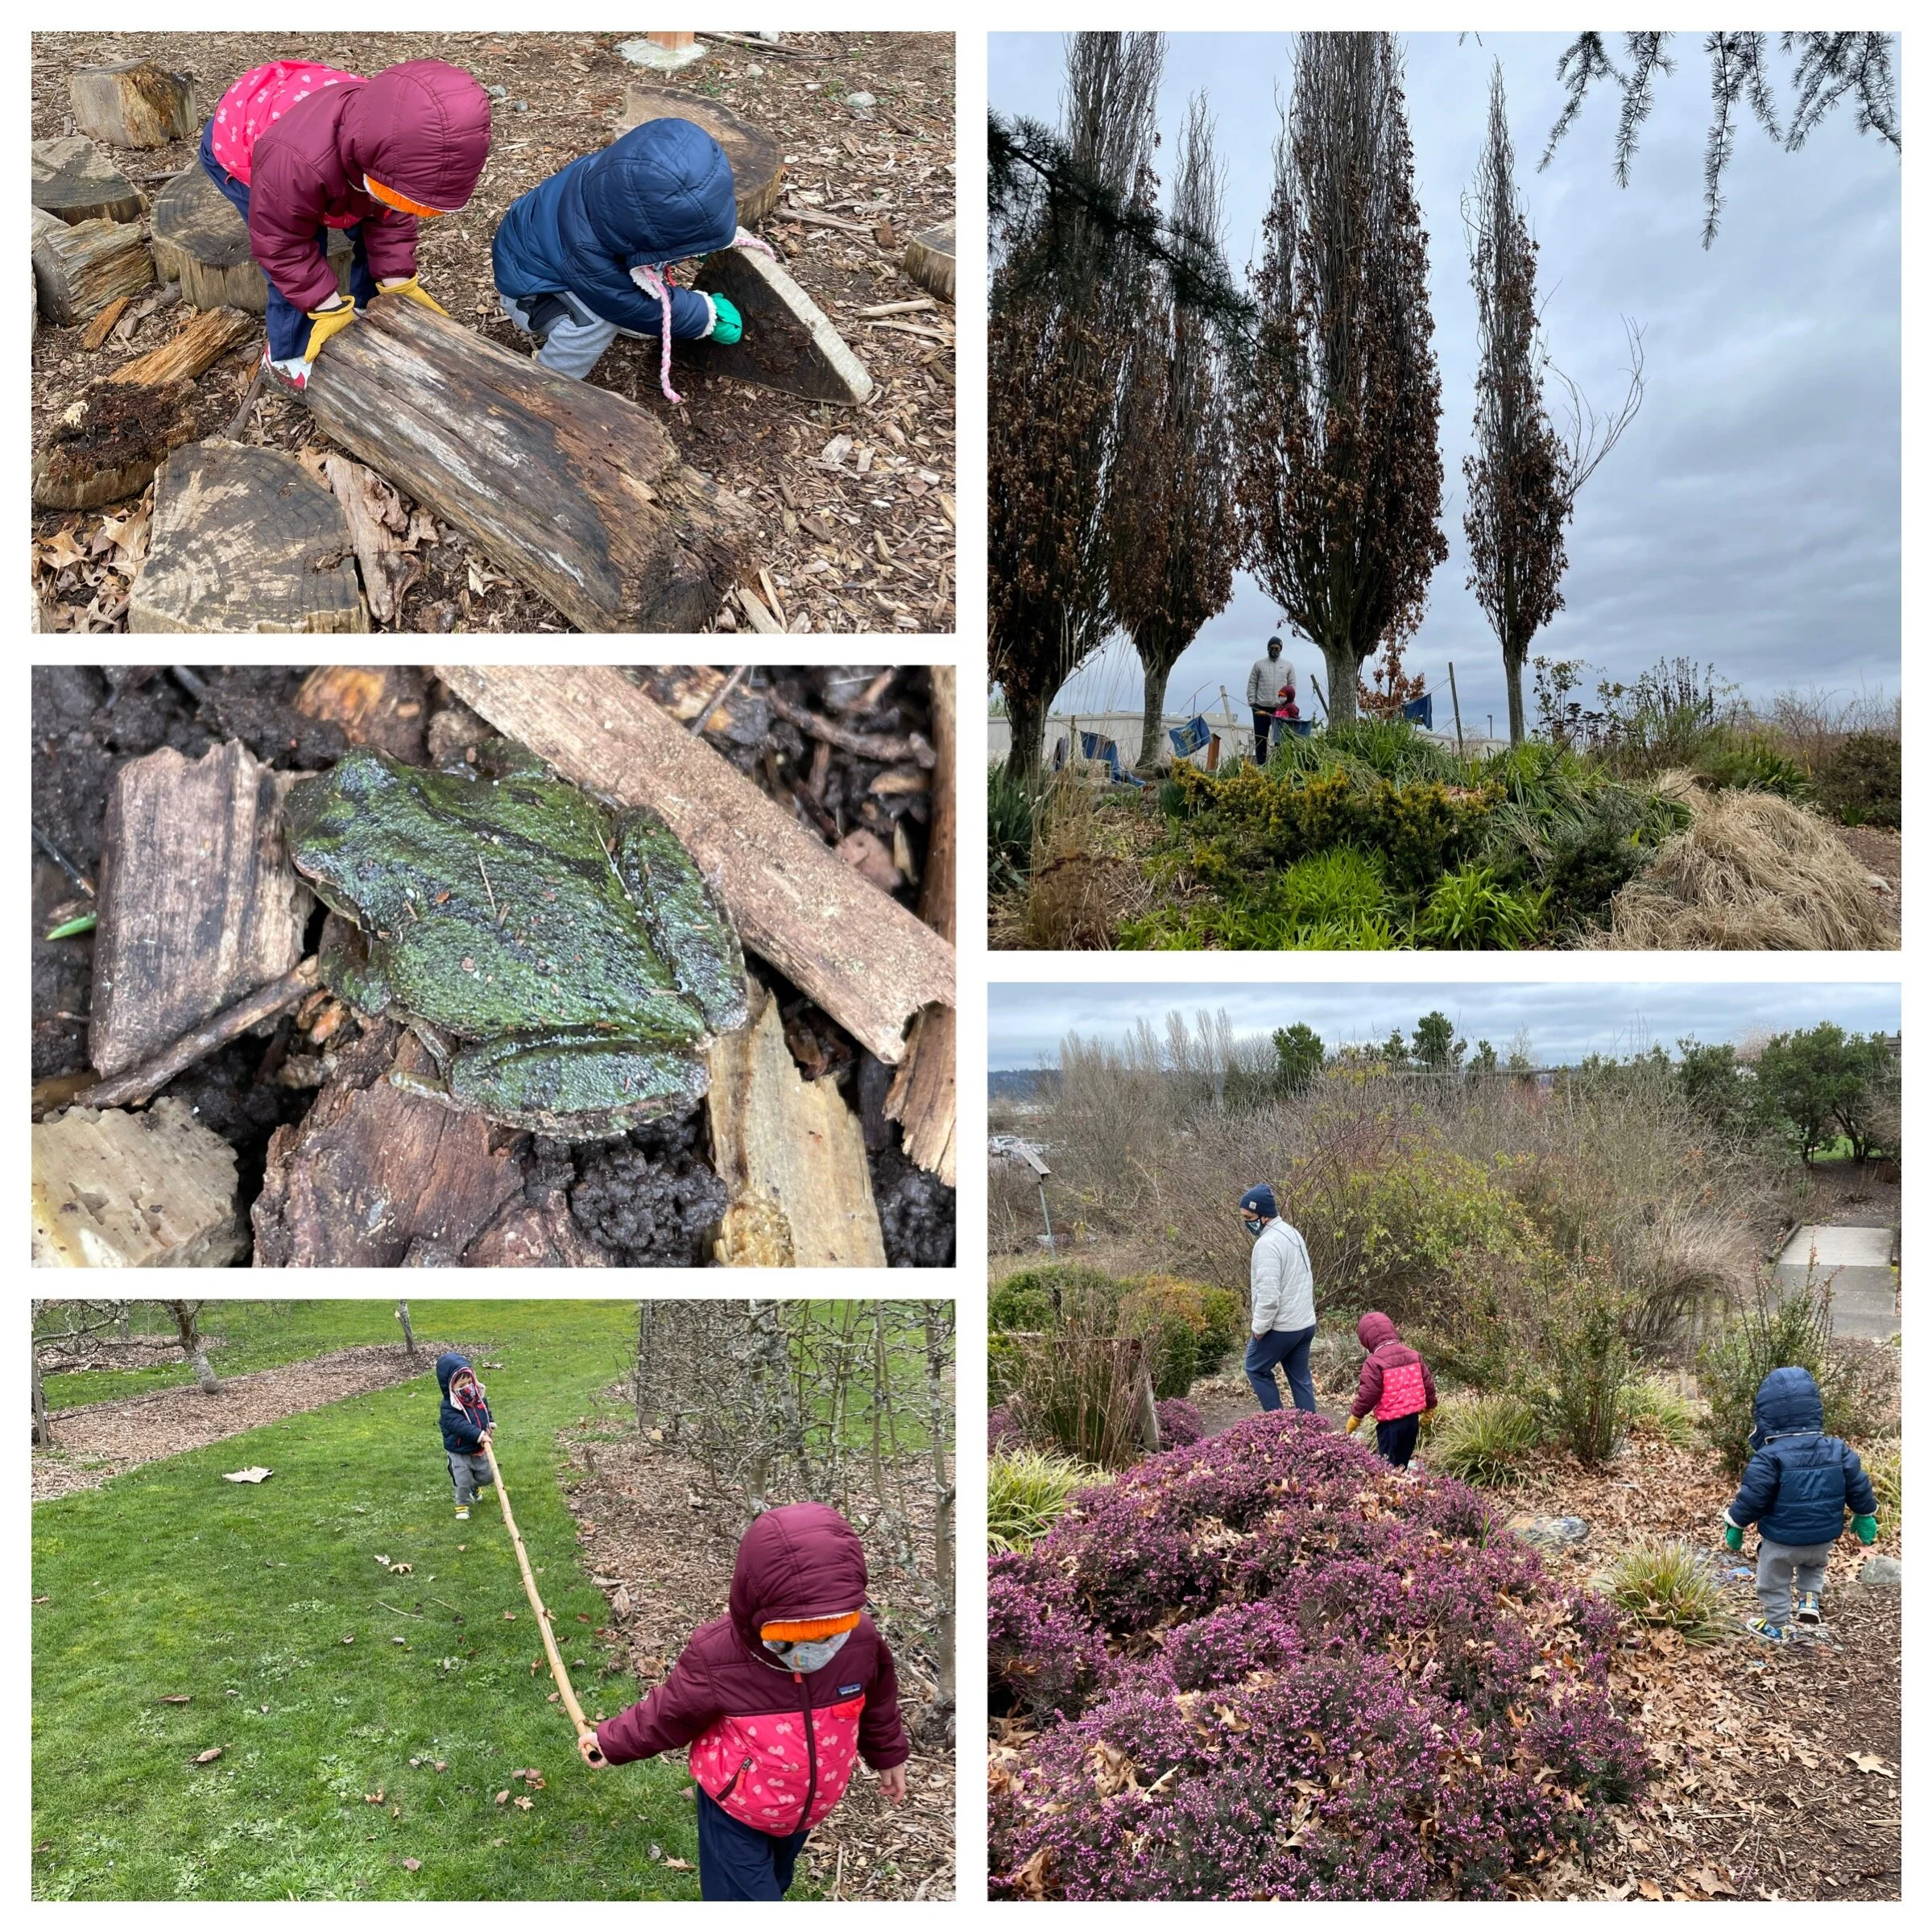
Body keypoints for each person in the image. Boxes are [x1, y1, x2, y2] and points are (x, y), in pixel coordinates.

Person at [580, 1501, 909, 1901]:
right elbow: (669, 1712)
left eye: (829, 1635)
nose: (814, 1651)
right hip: (734, 1809)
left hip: (804, 1812)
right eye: (793, 1637)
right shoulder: (720, 1656)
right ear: (755, 1611)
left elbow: (878, 1703)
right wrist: (611, 1741)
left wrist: (888, 1755)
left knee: (775, 1881)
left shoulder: (860, 1642)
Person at [201, 58, 492, 390]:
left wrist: (398, 284)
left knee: (374, 220)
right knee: (300, 257)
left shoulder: (396, 150)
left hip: (334, 160)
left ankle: (371, 308)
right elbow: (282, 246)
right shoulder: (295, 161)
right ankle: (287, 355)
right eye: (394, 196)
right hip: (243, 143)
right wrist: (325, 307)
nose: (399, 206)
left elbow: (390, 219)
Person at [493, 117, 759, 402]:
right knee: (597, 319)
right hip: (532, 292)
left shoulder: (613, 180)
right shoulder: (585, 247)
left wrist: (702, 239)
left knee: (638, 275)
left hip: (553, 262)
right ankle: (548, 385)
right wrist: (704, 315)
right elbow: (622, 300)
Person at [1723, 1365, 1878, 1644]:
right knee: (1813, 1565)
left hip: (1781, 1540)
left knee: (1774, 1579)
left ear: (1766, 1416)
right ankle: (1808, 1602)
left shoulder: (1770, 1457)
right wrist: (1865, 1514)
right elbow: (1859, 1484)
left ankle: (1776, 1625)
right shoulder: (1837, 1449)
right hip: (1822, 1537)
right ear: (1814, 1409)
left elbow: (1753, 1496)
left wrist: (1736, 1524)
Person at [1239, 1184, 1317, 1413]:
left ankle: (1278, 1425)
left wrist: (1259, 1328)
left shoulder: (1266, 1245)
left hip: (1282, 1327)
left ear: (1263, 1216)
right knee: (1300, 1378)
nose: (1246, 1223)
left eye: (1248, 1217)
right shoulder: (1293, 1234)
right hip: (1305, 1324)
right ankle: (1310, 1433)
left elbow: (1269, 1295)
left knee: (1255, 1367)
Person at [1342, 1312, 1437, 1470]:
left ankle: (1390, 1491)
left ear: (1366, 1340)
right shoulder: (1414, 1355)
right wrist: (1430, 1408)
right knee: (1403, 1462)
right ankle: (1402, 1490)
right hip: (1412, 1422)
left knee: (1387, 1467)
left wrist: (1356, 1417)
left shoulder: (1374, 1363)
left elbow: (1368, 1394)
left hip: (1390, 1426)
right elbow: (1428, 1384)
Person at [436, 1351, 494, 1523]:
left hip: (478, 1447)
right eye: (461, 1386)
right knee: (462, 1480)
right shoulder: (448, 1408)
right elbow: (460, 1426)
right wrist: (479, 1434)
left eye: (469, 1382)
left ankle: (475, 1486)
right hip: (459, 1450)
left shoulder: (477, 1397)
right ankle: (462, 1505)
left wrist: (489, 1424)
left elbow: (485, 1411)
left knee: (488, 1475)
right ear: (450, 1387)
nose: (467, 1387)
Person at [1245, 637, 1291, 763]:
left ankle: (1280, 765)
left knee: (1280, 739)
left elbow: (1291, 686)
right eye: (1272, 648)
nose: (1274, 651)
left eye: (1277, 648)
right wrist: (1252, 702)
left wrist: (1289, 703)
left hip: (1280, 708)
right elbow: (1252, 684)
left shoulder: (1288, 665)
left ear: (1281, 649)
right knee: (1260, 738)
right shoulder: (1259, 665)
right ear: (1268, 648)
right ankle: (1261, 765)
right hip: (1260, 706)